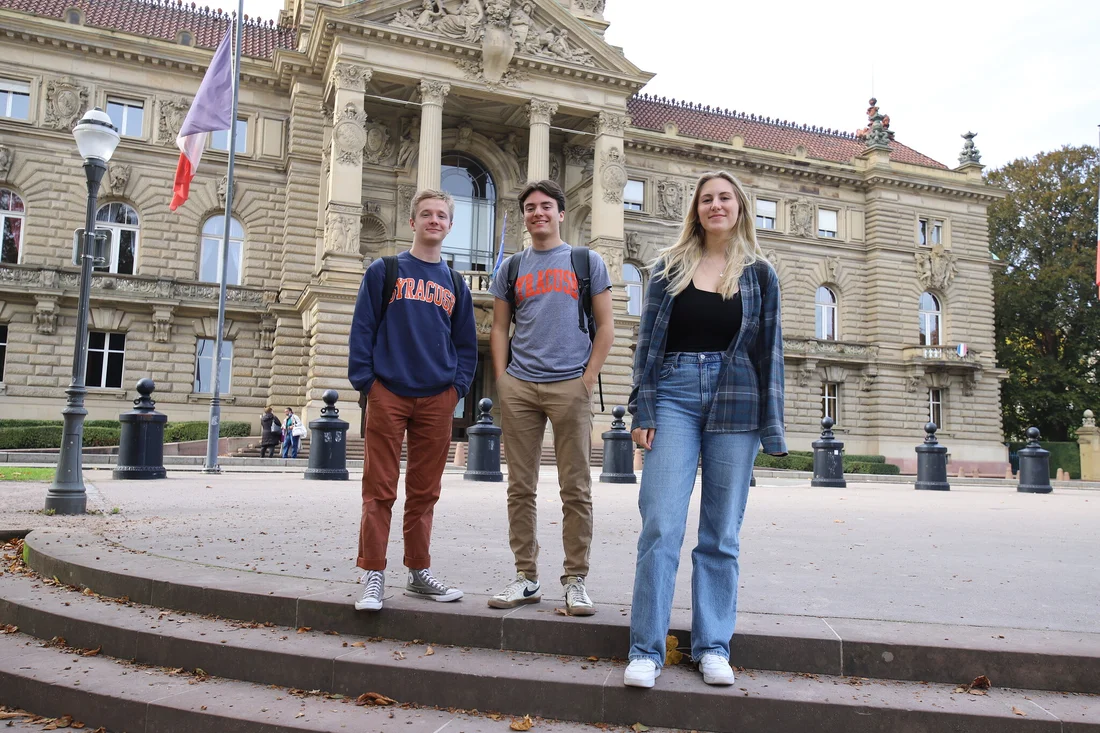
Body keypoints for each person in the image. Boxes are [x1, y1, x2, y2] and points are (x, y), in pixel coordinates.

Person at [623, 171, 786, 689]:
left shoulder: (760, 274)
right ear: (695, 208)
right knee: (661, 524)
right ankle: (646, 649)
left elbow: (770, 353)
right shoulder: (667, 267)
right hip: (672, 392)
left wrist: (773, 426)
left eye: (726, 198)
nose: (716, 205)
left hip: (738, 397)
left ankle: (713, 645)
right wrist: (641, 408)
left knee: (722, 533)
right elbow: (646, 345)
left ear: (741, 206)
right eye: (707, 198)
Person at [487, 179, 613, 616]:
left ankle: (575, 580)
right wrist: (502, 379)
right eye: (529, 208)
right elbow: (500, 328)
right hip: (520, 386)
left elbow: (607, 326)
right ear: (523, 216)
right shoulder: (513, 268)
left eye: (545, 206)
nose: (537, 213)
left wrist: (586, 378)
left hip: (569, 386)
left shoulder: (586, 261)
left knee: (575, 488)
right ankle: (526, 577)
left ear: (561, 213)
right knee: (520, 488)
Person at [348, 188, 477, 612]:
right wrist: (368, 383)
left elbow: (465, 345)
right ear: (413, 222)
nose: (434, 221)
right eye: (426, 214)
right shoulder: (384, 270)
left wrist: (455, 390)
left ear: (450, 225)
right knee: (379, 489)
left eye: (441, 215)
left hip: (436, 399)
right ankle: (373, 573)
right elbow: (363, 329)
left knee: (424, 492)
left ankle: (419, 572)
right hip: (389, 393)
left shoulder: (455, 282)